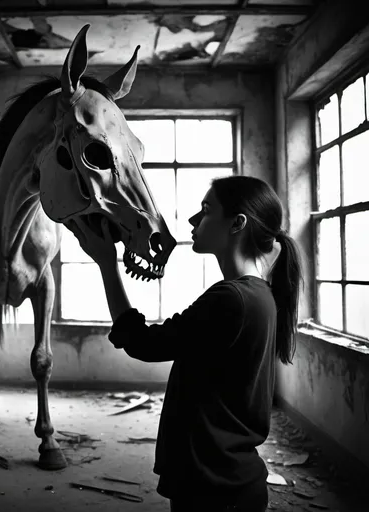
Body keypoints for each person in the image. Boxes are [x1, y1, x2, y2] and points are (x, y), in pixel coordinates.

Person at [65, 175, 303, 512]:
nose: (193, 220)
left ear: (237, 224)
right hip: (228, 480)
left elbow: (142, 343)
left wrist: (107, 263)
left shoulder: (231, 299)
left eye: (206, 210)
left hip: (214, 488)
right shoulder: (255, 294)